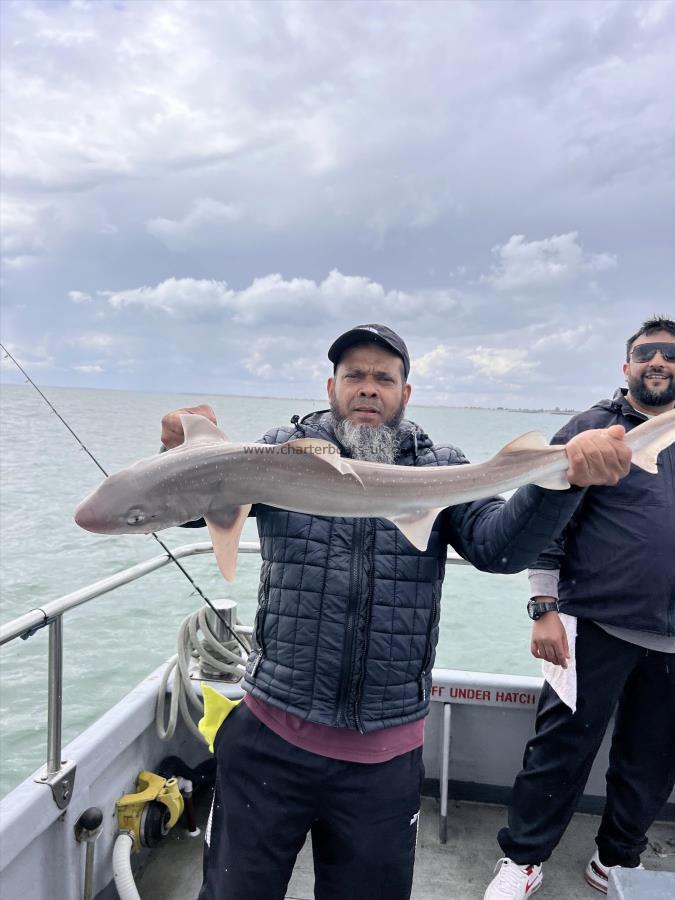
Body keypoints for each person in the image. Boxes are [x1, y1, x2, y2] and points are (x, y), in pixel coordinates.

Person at [160, 323, 631, 900]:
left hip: (384, 754)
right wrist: (183, 456)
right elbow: (182, 508)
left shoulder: (439, 466)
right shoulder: (276, 453)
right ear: (331, 386)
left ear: (405, 394)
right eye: (354, 375)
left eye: (384, 377)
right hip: (270, 736)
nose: (368, 388)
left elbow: (498, 548)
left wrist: (562, 484)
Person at [484, 316, 675, 899]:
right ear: (627, 367)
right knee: (559, 752)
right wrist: (543, 606)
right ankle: (523, 859)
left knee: (651, 762)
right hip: (592, 625)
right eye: (646, 353)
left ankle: (616, 859)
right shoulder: (593, 429)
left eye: (670, 353)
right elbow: (545, 522)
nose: (659, 362)